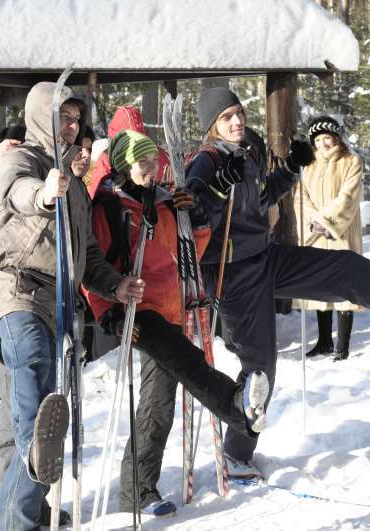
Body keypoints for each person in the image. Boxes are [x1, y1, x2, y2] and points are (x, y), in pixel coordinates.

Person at [185, 87, 370, 479]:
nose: (237, 121)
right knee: (260, 373)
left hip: (266, 258)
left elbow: (261, 196)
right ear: (212, 126)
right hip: (230, 274)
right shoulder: (206, 161)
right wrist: (217, 188)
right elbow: (194, 215)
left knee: (348, 269)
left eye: (238, 112)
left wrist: (288, 170)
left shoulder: (246, 153)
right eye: (226, 117)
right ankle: (236, 456)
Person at [0, 81, 140, 531]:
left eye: (74, 120)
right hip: (13, 286)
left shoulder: (78, 189)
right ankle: (34, 468)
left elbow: (86, 256)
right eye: (62, 118)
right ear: (40, 118)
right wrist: (45, 194)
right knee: (32, 363)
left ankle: (19, 517)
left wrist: (116, 285)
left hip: (56, 299)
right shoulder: (19, 159)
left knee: (22, 417)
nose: (70, 127)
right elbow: (18, 190)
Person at [85, 130, 269, 517]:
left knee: (158, 403)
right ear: (122, 165)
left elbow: (190, 251)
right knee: (187, 364)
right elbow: (93, 264)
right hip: (134, 310)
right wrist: (109, 313)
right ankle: (236, 405)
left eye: (154, 160)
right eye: (141, 161)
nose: (150, 168)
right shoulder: (109, 208)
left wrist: (196, 218)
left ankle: (138, 491)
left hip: (171, 308)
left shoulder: (166, 202)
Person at [294, 115, 363, 362]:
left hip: (340, 232)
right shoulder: (309, 165)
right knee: (321, 286)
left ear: (336, 138)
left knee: (345, 287)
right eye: (319, 139)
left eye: (328, 138)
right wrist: (314, 222)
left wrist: (326, 222)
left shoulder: (351, 162)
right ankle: (324, 341)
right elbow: (300, 198)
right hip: (317, 234)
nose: (324, 143)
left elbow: (348, 197)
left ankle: (342, 346)